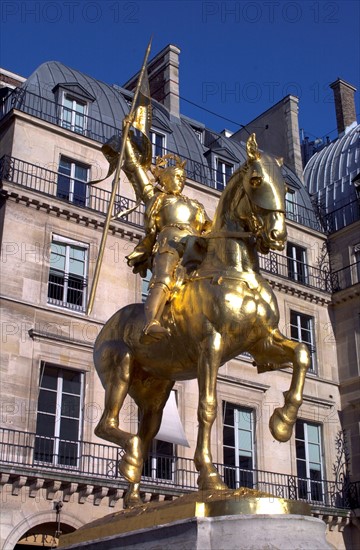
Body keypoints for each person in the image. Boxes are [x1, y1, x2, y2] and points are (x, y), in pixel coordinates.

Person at [123, 129, 212, 343]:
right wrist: (127, 141)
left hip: (195, 245)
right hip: (169, 243)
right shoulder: (158, 198)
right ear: (165, 179)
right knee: (163, 277)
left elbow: (210, 228)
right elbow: (134, 168)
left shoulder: (195, 205)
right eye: (176, 177)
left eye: (183, 178)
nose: (181, 181)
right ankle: (151, 323)